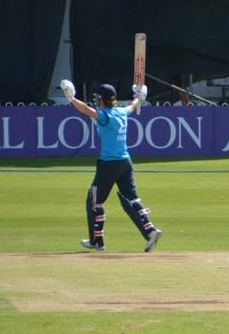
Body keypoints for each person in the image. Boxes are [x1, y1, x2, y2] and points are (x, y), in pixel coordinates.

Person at [60, 79, 162, 252]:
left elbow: (85, 110)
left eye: (97, 97)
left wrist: (71, 98)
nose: (96, 100)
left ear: (102, 99)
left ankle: (96, 241)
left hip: (109, 165)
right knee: (131, 199)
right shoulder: (121, 112)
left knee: (94, 201)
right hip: (125, 163)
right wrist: (139, 96)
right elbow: (132, 106)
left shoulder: (105, 116)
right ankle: (150, 231)